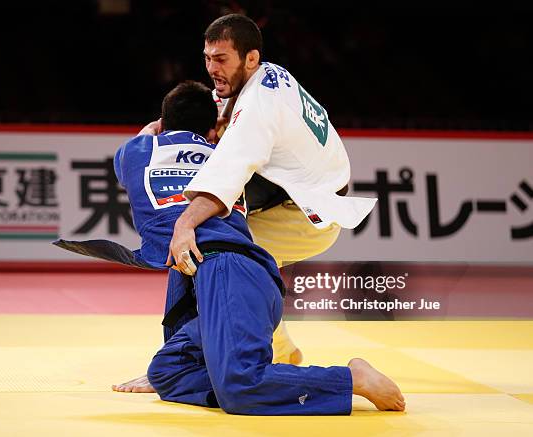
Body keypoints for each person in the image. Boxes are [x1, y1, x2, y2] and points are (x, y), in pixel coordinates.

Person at [113, 80, 405, 414]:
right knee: (169, 373)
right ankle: (259, 370)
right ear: (212, 130)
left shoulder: (135, 154)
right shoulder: (226, 159)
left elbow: (140, 143)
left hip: (233, 270)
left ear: (162, 125)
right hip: (240, 268)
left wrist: (153, 131)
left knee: (240, 387)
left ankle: (349, 379)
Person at [167, 14, 376, 282]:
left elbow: (224, 178)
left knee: (210, 247)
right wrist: (164, 125)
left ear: (250, 58)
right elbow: (209, 106)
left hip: (307, 216)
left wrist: (182, 225)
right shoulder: (268, 72)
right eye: (207, 58)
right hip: (299, 192)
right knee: (227, 252)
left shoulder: (259, 105)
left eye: (220, 59)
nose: (211, 68)